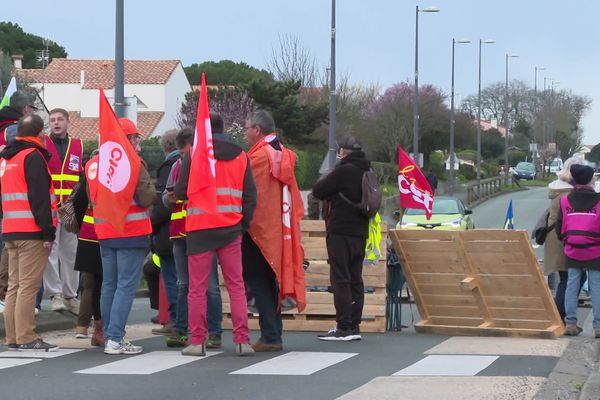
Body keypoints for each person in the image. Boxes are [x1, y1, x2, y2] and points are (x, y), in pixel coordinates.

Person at [174, 113, 257, 357]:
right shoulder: (241, 156)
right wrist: (242, 223)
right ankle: (242, 340)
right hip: (231, 229)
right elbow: (250, 196)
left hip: (200, 229)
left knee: (197, 289)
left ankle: (198, 341)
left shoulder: (194, 154)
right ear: (224, 129)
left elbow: (180, 191)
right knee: (236, 286)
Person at [88, 118, 155, 355]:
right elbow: (147, 197)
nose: (138, 141)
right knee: (126, 286)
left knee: (109, 284)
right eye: (135, 137)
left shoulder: (94, 164)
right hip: (131, 232)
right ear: (130, 139)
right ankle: (115, 339)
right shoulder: (134, 163)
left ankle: (109, 335)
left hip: (105, 232)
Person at [243, 110, 306, 352]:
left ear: (257, 130)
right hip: (279, 230)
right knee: (270, 283)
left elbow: (249, 195)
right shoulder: (283, 154)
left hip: (258, 231)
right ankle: (273, 332)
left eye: (247, 127)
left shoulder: (259, 157)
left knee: (259, 282)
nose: (245, 131)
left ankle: (270, 335)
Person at [0, 113, 58, 351]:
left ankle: (13, 337)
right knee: (28, 286)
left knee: (14, 286)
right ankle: (26, 337)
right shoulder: (32, 156)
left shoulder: (6, 159)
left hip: (11, 231)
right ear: (41, 134)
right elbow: (39, 199)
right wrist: (48, 232)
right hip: (32, 232)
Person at [165, 120, 224, 349]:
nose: (183, 156)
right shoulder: (176, 167)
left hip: (201, 231)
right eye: (180, 152)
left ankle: (215, 331)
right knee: (184, 284)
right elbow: (167, 194)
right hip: (180, 232)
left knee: (210, 285)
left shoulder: (208, 166)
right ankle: (181, 329)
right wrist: (168, 198)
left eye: (186, 151)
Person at [312, 134, 370, 341]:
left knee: (341, 278)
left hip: (340, 231)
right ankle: (354, 326)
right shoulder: (367, 170)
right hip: (361, 231)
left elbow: (318, 191)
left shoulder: (343, 171)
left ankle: (343, 326)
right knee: (356, 278)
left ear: (343, 151)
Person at [0, 91, 38, 313]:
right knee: (10, 250)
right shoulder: (16, 131)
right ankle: (6, 295)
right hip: (11, 196)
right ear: (26, 110)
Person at [42, 108, 83, 314]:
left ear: (68, 122)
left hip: (69, 207)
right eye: (52, 120)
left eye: (60, 120)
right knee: (50, 250)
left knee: (71, 252)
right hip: (49, 206)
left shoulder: (78, 145)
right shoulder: (42, 144)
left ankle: (70, 295)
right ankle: (55, 294)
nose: (56, 123)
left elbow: (81, 178)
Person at [556, 164, 600, 338]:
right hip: (596, 249)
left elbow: (559, 228)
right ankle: (598, 326)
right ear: (590, 180)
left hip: (572, 248)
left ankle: (571, 323)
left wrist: (567, 241)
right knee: (596, 286)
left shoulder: (565, 200)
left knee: (571, 285)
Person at [544, 157, 586, 321]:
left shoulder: (558, 188)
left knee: (567, 278)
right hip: (563, 237)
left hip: (555, 236)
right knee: (570, 278)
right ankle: (560, 315)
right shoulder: (569, 192)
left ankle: (562, 313)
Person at [72, 154, 104, 346]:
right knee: (105, 283)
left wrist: (81, 224)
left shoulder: (90, 171)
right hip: (105, 234)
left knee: (89, 282)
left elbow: (78, 202)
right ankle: (101, 329)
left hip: (87, 233)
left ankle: (84, 327)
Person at [150, 129, 180, 336]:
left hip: (167, 233)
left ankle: (175, 320)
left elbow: (162, 205)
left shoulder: (167, 167)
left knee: (171, 277)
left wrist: (149, 224)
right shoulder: (189, 163)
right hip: (184, 231)